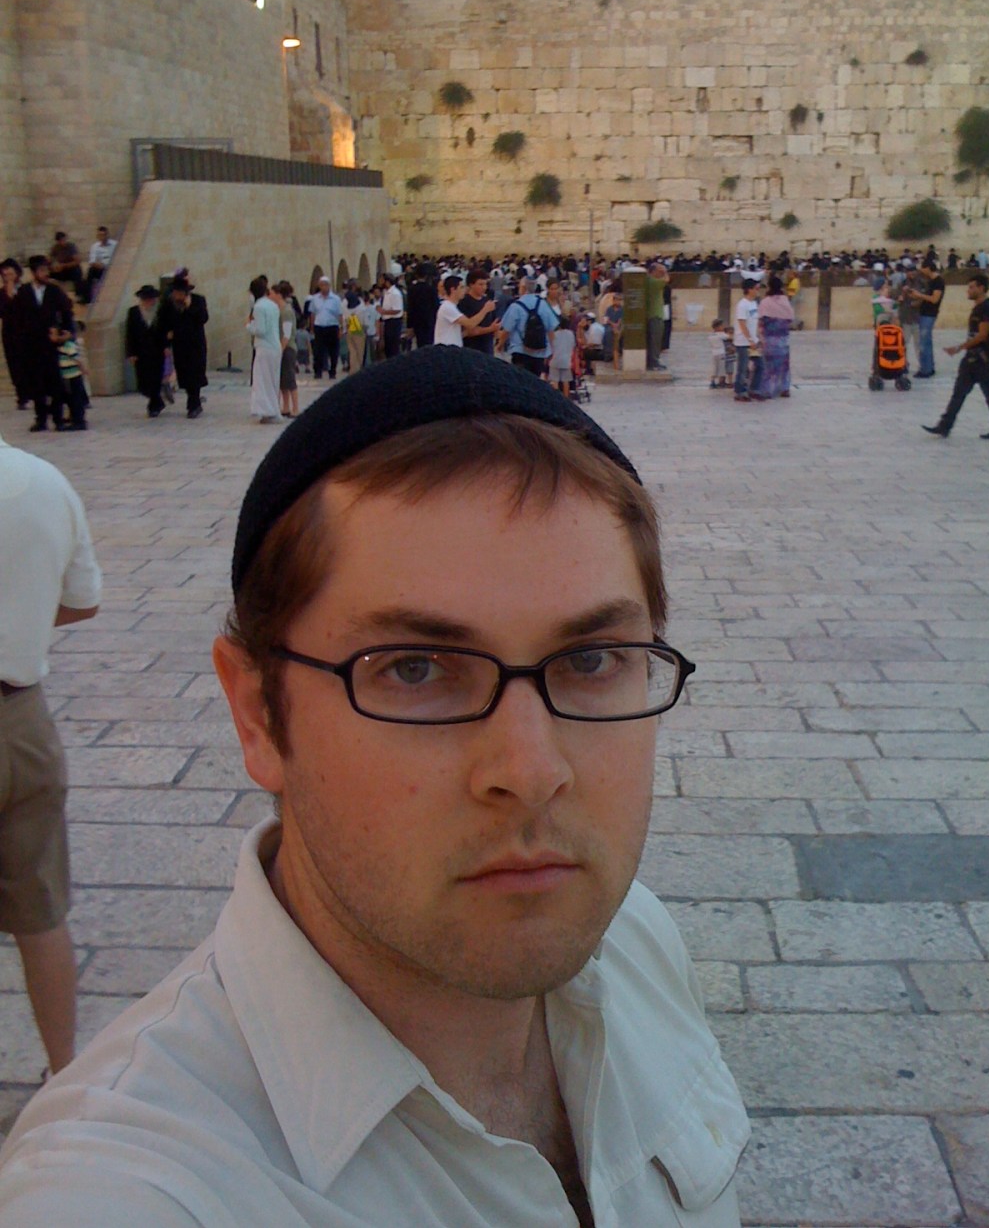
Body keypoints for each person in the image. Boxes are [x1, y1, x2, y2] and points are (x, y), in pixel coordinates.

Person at [0, 347, 749, 1225]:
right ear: (257, 714)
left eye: (592, 660)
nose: (532, 770)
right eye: (417, 668)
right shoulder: (124, 1191)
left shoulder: (639, 945)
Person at [0, 436, 101, 1078]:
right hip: (20, 720)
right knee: (41, 908)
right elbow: (84, 600)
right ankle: (64, 1069)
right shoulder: (43, 482)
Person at [923, 272, 989, 440]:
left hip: (983, 360)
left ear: (981, 288)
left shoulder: (987, 308)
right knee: (959, 393)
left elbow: (983, 335)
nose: (968, 291)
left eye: (972, 287)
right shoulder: (979, 308)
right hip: (972, 360)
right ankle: (944, 426)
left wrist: (958, 347)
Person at [14, 256, 74, 432]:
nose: (45, 273)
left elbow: (66, 312)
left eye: (46, 270)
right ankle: (40, 418)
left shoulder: (54, 290)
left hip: (51, 344)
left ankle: (58, 418)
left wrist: (64, 332)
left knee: (55, 383)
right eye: (41, 270)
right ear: (33, 273)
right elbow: (17, 318)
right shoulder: (24, 292)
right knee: (36, 383)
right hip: (31, 345)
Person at [158, 277, 209, 419]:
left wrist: (189, 307)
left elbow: (203, 318)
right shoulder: (168, 305)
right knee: (185, 375)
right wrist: (166, 342)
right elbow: (163, 324)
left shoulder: (198, 300)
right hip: (180, 345)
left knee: (196, 374)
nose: (177, 296)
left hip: (196, 344)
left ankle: (194, 404)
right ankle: (193, 401)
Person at [501, 276, 560, 377]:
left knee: (521, 381)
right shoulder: (544, 304)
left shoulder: (516, 306)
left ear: (523, 288)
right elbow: (551, 330)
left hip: (520, 351)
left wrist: (499, 345)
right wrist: (552, 350)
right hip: (540, 352)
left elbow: (507, 329)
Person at [125, 285, 167, 418]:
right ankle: (158, 400)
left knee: (155, 378)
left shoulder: (161, 311)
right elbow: (129, 333)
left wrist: (166, 346)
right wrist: (130, 353)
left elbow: (166, 330)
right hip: (141, 352)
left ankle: (154, 405)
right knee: (143, 381)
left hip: (157, 350)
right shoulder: (133, 312)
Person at [248, 278, 282, 424]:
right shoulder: (272, 305)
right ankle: (273, 409)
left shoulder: (259, 307)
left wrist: (249, 326)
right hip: (275, 346)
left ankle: (267, 411)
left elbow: (260, 330)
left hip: (264, 347)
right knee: (272, 380)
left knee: (262, 380)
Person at [756, 274, 795, 399]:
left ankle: (767, 389)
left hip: (769, 337)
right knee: (784, 364)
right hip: (783, 338)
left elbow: (761, 320)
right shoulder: (785, 300)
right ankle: (784, 388)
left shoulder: (765, 302)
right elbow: (790, 318)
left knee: (768, 365)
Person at [433, 275, 497, 348]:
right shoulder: (448, 307)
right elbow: (470, 324)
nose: (465, 290)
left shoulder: (452, 307)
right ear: (453, 289)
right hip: (446, 349)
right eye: (461, 287)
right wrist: (485, 309)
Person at [0, 257, 30, 409]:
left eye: (10, 274)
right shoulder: (1, 293)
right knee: (14, 364)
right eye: (4, 275)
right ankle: (22, 395)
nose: (7, 277)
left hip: (26, 332)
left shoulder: (26, 290)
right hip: (10, 333)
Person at [908, 256, 945, 378]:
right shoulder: (930, 281)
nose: (921, 271)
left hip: (929, 315)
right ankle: (929, 367)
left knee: (923, 343)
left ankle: (925, 370)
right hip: (925, 313)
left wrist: (919, 295)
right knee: (926, 342)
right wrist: (917, 299)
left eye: (923, 268)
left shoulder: (938, 282)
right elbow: (928, 298)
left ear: (928, 268)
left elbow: (934, 299)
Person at [51, 324, 88, 431]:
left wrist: (83, 369)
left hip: (73, 375)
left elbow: (77, 358)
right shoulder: (60, 346)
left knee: (76, 398)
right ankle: (74, 417)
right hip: (67, 376)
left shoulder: (68, 346)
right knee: (71, 398)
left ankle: (79, 421)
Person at [457, 268, 501, 356]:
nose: (484, 287)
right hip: (471, 348)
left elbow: (494, 321)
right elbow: (467, 331)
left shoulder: (487, 300)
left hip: (487, 347)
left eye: (485, 284)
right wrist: (490, 329)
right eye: (480, 284)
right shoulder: (464, 303)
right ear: (471, 285)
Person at [305, 277, 341, 379]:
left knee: (333, 351)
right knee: (318, 351)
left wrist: (341, 328)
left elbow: (340, 314)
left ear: (329, 286)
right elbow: (312, 314)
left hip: (332, 326)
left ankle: (332, 371)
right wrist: (311, 328)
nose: (323, 287)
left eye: (325, 284)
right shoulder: (315, 299)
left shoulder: (336, 299)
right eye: (321, 285)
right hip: (319, 327)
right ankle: (318, 371)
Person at [732, 279, 759, 402]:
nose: (757, 291)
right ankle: (740, 392)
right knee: (742, 368)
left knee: (760, 365)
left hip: (754, 340)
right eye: (756, 288)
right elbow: (742, 323)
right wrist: (749, 340)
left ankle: (754, 389)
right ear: (749, 289)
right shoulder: (742, 305)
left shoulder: (754, 303)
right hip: (743, 341)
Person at [276, 283, 299, 418]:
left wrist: (280, 349)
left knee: (290, 379)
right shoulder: (281, 310)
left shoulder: (286, 311)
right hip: (283, 347)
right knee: (282, 380)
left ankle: (295, 407)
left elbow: (287, 333)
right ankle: (285, 407)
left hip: (288, 348)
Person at [405, 262, 438, 349]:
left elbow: (410, 308)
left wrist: (409, 326)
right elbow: (435, 306)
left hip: (417, 322)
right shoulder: (431, 289)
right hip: (430, 322)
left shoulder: (412, 289)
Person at [83, 227, 117, 303]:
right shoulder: (95, 246)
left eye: (104, 235)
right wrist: (98, 264)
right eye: (100, 235)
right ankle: (87, 298)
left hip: (113, 267)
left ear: (107, 235)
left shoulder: (115, 244)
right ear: (97, 236)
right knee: (90, 271)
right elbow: (92, 260)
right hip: (101, 267)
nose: (103, 237)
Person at [47, 233, 83, 301]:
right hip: (61, 270)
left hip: (71, 268)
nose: (63, 242)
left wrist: (65, 265)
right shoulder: (56, 248)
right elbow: (50, 258)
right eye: (60, 241)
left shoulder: (71, 247)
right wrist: (52, 266)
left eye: (64, 240)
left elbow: (77, 261)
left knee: (77, 272)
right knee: (47, 273)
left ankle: (79, 295)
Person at [378, 272, 405, 359]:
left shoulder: (395, 293)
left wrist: (383, 311)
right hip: (387, 322)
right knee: (388, 347)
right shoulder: (386, 292)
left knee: (393, 347)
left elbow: (397, 310)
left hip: (394, 322)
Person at [708, 318, 727, 388]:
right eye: (722, 326)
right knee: (721, 367)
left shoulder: (711, 335)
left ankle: (712, 381)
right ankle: (721, 382)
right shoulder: (721, 334)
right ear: (717, 327)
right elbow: (728, 337)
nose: (723, 327)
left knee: (715, 367)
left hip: (714, 353)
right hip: (721, 353)